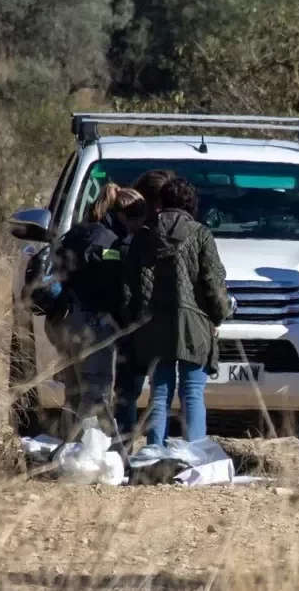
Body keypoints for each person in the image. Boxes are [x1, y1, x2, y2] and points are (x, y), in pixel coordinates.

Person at [121, 177, 233, 446]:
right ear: (191, 204)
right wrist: (219, 316)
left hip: (152, 327)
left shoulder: (143, 236)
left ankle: (154, 452)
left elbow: (128, 287)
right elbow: (213, 282)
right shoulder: (201, 234)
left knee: (159, 392)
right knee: (192, 391)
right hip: (194, 325)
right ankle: (194, 455)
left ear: (160, 202)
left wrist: (130, 325)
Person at [44, 183, 148, 439]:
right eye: (137, 218)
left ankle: (69, 448)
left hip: (61, 319)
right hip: (89, 324)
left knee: (75, 390)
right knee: (96, 390)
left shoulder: (78, 232)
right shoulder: (108, 242)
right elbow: (106, 290)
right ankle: (92, 451)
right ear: (124, 215)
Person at [114, 169, 177, 442]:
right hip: (165, 325)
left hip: (135, 326)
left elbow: (126, 288)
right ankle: (156, 447)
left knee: (127, 392)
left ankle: (124, 448)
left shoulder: (130, 239)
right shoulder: (182, 237)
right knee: (160, 391)